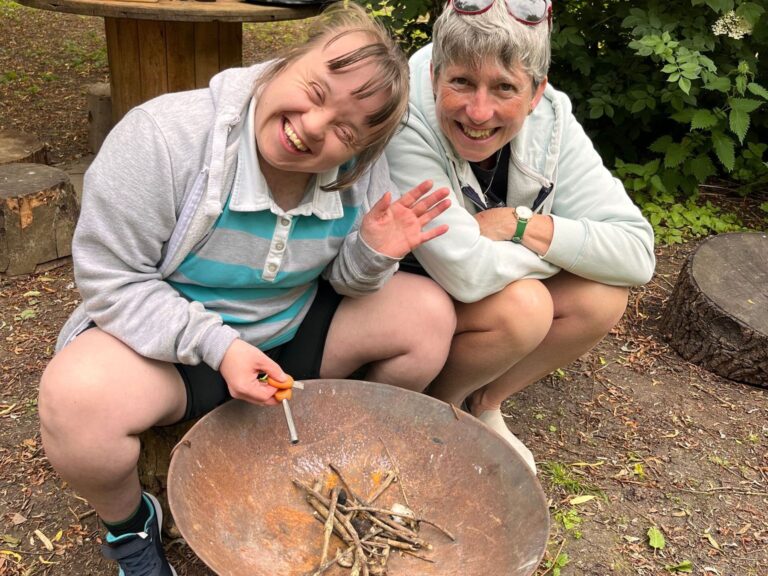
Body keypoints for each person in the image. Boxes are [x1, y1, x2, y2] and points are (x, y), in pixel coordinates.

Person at [38, 3, 457, 574]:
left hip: (289, 334)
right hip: (174, 352)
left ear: (361, 148)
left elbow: (342, 282)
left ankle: (332, 452)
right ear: (283, 62)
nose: (314, 126)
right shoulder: (164, 136)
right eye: (314, 91)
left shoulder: (356, 173)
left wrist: (372, 253)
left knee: (427, 316)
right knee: (76, 403)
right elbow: (111, 280)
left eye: (344, 130)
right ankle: (132, 525)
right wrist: (221, 348)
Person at [385, 0, 655, 473]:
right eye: (461, 82)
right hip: (404, 293)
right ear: (434, 75)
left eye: (504, 87)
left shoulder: (552, 116)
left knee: (601, 296)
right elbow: (466, 273)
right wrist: (559, 252)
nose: (479, 111)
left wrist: (521, 225)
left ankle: (481, 402)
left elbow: (637, 253)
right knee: (526, 306)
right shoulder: (404, 116)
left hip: (484, 280)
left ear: (535, 92)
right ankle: (432, 409)